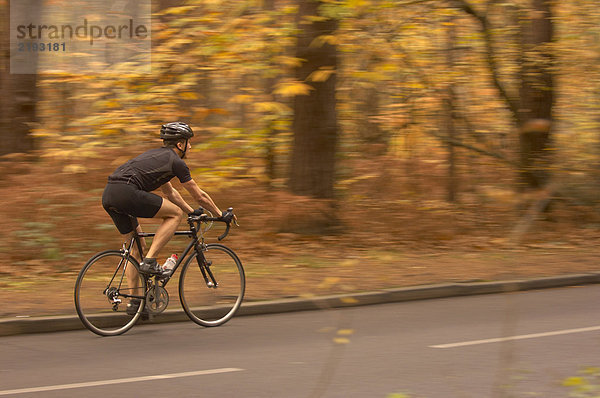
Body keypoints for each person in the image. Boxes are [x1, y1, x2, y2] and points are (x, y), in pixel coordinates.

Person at [101, 122, 230, 313]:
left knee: (136, 249)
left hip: (109, 194)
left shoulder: (157, 158)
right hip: (127, 192)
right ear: (180, 144)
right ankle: (151, 261)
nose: (191, 147)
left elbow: (171, 194)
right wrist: (221, 215)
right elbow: (199, 195)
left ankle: (135, 303)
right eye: (189, 143)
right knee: (174, 214)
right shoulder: (176, 162)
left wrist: (191, 212)